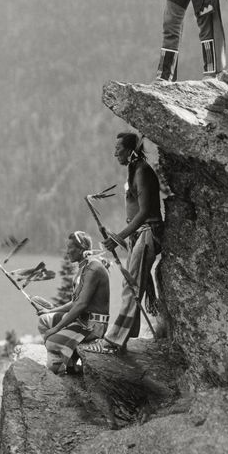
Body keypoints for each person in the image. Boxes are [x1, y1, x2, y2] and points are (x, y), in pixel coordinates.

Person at [86, 132, 163, 354]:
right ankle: (129, 335)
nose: (114, 153)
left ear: (130, 150)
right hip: (139, 234)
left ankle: (114, 340)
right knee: (130, 283)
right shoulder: (135, 171)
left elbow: (146, 211)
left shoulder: (142, 172)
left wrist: (117, 237)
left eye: (118, 149)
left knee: (132, 285)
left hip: (148, 233)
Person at [33, 230, 110, 374]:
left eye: (70, 248)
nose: (67, 251)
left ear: (81, 249)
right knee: (44, 320)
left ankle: (62, 364)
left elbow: (81, 305)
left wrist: (56, 329)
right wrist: (50, 311)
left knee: (51, 341)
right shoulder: (85, 267)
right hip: (83, 321)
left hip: (93, 326)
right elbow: (75, 302)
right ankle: (67, 361)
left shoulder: (93, 269)